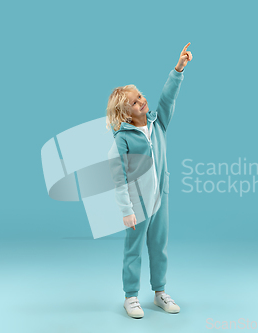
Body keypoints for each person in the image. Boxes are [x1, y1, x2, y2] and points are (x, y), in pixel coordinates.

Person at [105, 42, 193, 319]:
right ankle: (130, 297)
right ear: (125, 112)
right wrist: (126, 211)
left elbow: (167, 98)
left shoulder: (158, 123)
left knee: (159, 246)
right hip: (138, 204)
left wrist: (177, 70)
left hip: (160, 199)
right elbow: (118, 177)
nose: (141, 100)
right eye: (134, 101)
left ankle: (159, 292)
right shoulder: (122, 140)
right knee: (134, 249)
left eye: (140, 95)